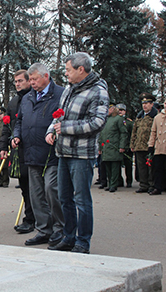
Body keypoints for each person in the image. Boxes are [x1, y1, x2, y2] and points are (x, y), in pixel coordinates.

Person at [45, 52, 109, 254]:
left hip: (82, 155)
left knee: (82, 200)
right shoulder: (70, 90)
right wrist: (51, 130)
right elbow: (59, 115)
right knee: (64, 197)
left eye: (68, 70)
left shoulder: (98, 91)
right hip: (63, 152)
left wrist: (64, 128)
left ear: (81, 69)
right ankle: (69, 236)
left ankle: (83, 241)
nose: (66, 74)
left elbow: (97, 123)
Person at [13, 63, 64, 246]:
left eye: (34, 79)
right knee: (36, 194)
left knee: (52, 190)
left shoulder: (61, 94)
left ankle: (60, 229)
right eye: (31, 79)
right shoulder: (27, 98)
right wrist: (16, 135)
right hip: (31, 151)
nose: (32, 83)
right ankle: (44, 230)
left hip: (52, 152)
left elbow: (63, 118)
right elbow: (19, 121)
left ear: (46, 76)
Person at [0, 70, 36, 234]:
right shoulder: (13, 102)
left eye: (20, 81)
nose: (18, 84)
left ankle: (42, 219)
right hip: (18, 150)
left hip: (35, 149)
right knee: (25, 186)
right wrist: (2, 146)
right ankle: (29, 219)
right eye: (15, 81)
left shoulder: (36, 97)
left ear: (29, 81)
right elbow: (7, 127)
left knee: (39, 188)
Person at [148, 97, 166, 196]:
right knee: (158, 169)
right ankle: (158, 187)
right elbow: (153, 132)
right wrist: (151, 145)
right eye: (165, 103)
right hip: (159, 146)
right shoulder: (158, 117)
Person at [130, 93, 158, 193]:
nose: (144, 105)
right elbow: (134, 132)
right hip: (139, 146)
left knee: (150, 168)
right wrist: (132, 144)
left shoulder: (155, 116)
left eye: (147, 103)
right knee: (141, 167)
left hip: (149, 146)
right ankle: (143, 185)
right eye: (143, 103)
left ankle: (151, 185)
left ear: (152, 104)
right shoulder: (139, 116)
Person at [98, 104, 128, 192]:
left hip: (114, 146)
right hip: (106, 147)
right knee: (107, 166)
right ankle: (110, 183)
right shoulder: (106, 120)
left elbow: (123, 133)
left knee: (114, 166)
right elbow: (102, 134)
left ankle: (114, 184)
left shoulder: (119, 119)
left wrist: (122, 146)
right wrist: (100, 147)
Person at [117, 103, 134, 188]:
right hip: (117, 146)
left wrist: (131, 145)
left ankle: (129, 181)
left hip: (127, 147)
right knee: (117, 165)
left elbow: (132, 134)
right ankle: (119, 181)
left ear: (125, 111)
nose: (120, 111)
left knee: (128, 165)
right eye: (118, 110)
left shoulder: (128, 123)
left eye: (122, 110)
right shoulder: (114, 120)